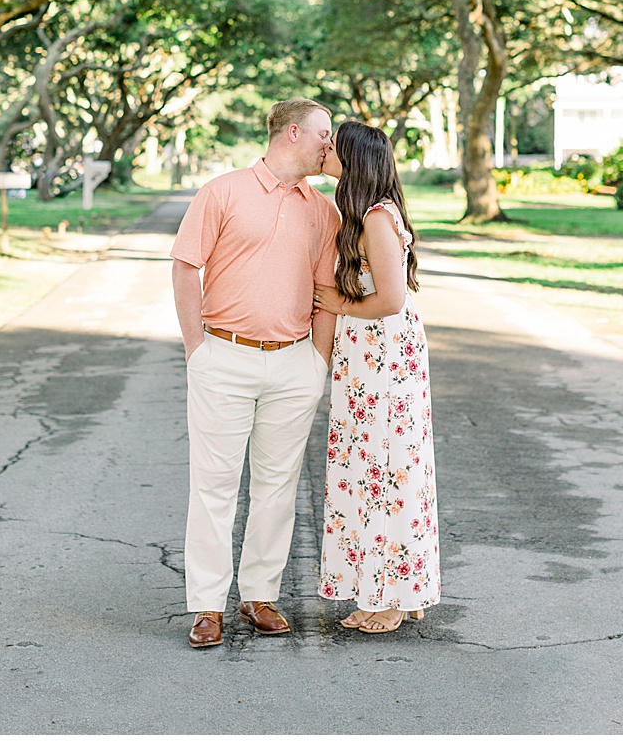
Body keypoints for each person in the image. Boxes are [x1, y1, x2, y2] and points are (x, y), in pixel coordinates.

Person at [170, 98, 340, 649]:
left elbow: (326, 293)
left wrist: (316, 361)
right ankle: (207, 606)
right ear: (293, 132)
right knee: (214, 487)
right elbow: (184, 266)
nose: (329, 144)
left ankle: (258, 595)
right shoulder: (222, 192)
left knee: (278, 487)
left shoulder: (324, 212)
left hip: (294, 362)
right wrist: (197, 348)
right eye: (324, 134)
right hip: (223, 356)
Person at [313, 120, 441, 633]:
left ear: (354, 160)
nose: (325, 150)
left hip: (384, 358)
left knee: (386, 469)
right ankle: (389, 588)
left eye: (333, 146)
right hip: (368, 358)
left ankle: (391, 595)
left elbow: (390, 300)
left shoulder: (377, 220)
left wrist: (338, 303)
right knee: (373, 468)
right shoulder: (362, 216)